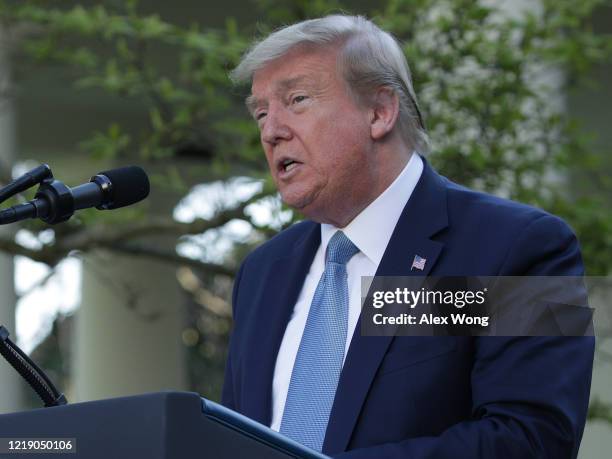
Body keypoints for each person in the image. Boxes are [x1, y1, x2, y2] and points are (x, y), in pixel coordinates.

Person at [222, 14, 594, 459]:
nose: (270, 130)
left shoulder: (519, 246)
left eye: (297, 99)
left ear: (380, 111)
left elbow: (533, 440)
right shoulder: (262, 272)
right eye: (261, 112)